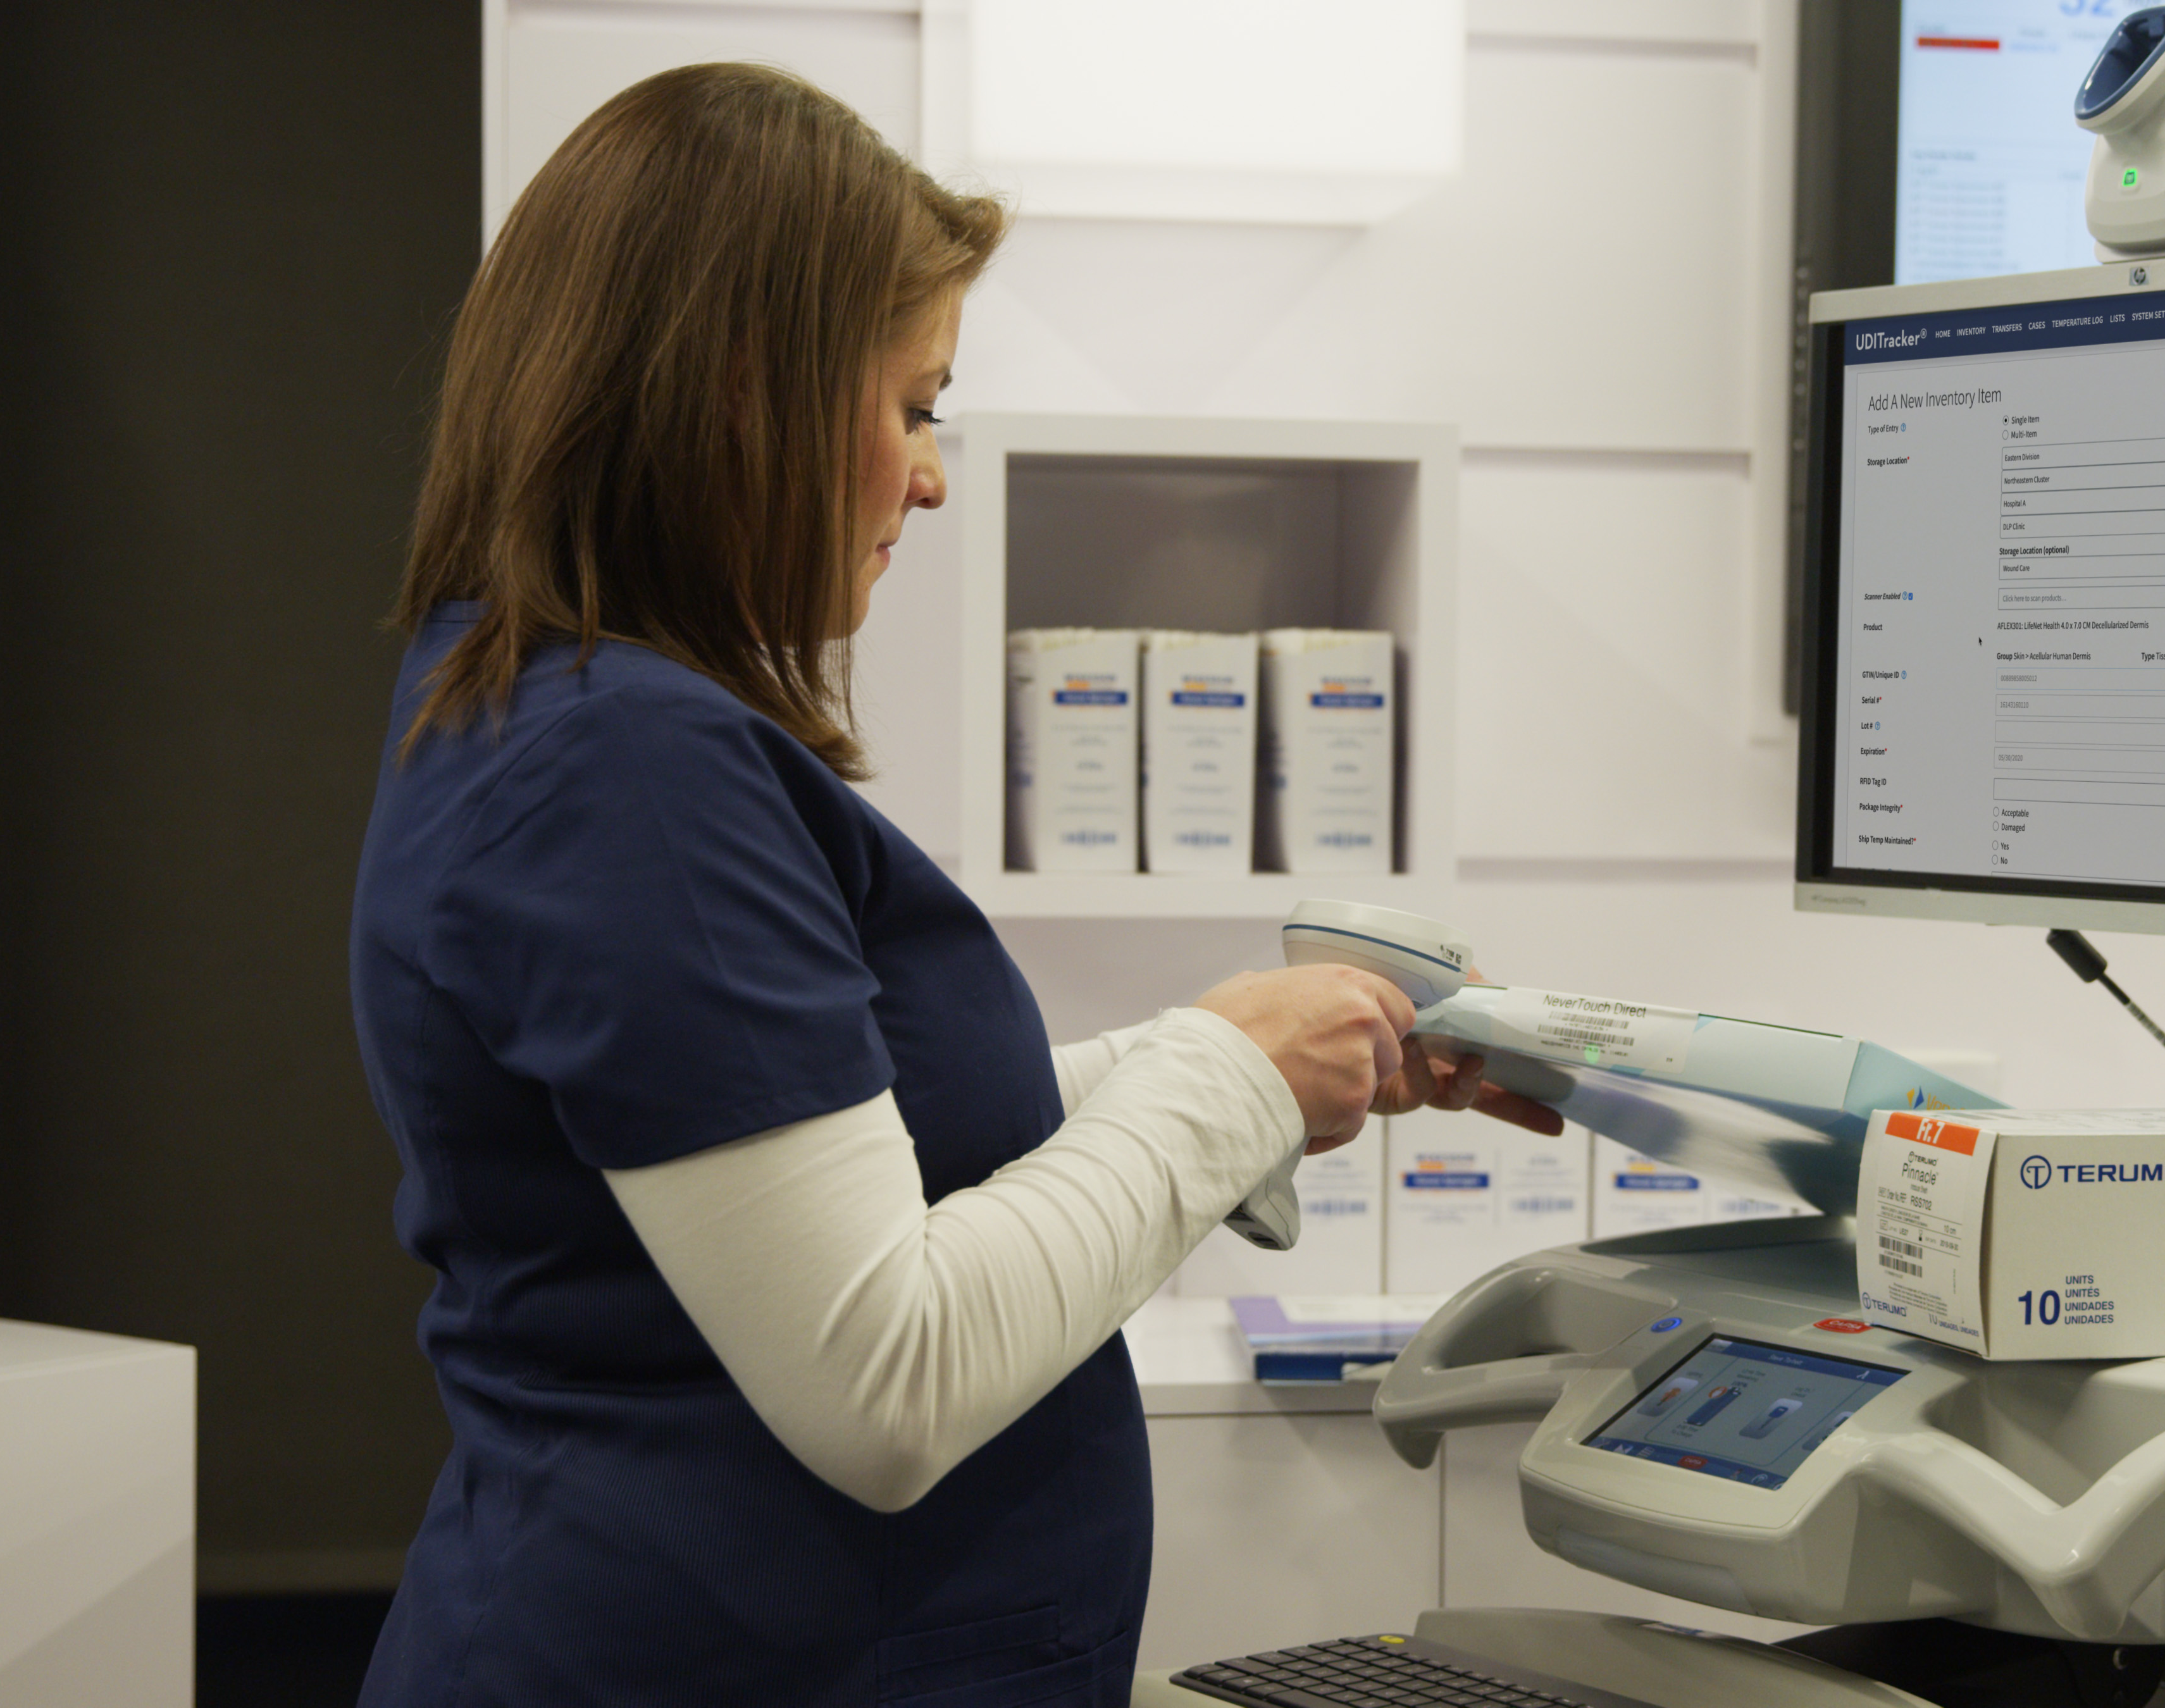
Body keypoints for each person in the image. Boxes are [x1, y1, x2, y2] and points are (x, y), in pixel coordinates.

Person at [349, 62, 1560, 1708]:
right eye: (915, 403)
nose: (930, 473)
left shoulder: (551, 716)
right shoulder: (623, 767)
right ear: (742, 387)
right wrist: (1226, 1077)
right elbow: (884, 1373)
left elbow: (823, 1170)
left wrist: (1263, 1061)